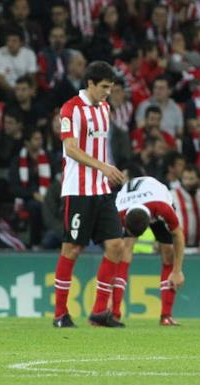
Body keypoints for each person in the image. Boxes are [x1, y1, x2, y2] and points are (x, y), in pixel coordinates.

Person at [52, 61, 127, 328]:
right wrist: (104, 167)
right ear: (91, 84)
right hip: (78, 190)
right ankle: (60, 313)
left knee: (116, 245)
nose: (108, 92)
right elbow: (71, 149)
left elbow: (97, 147)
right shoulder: (71, 109)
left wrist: (111, 170)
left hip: (101, 189)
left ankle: (98, 312)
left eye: (111, 87)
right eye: (104, 87)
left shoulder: (105, 109)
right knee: (72, 248)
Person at [114, 176, 185, 326]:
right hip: (130, 204)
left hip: (156, 198)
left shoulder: (163, 209)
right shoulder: (117, 212)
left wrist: (177, 271)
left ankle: (166, 316)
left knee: (169, 254)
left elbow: (178, 234)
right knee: (124, 251)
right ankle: (115, 314)